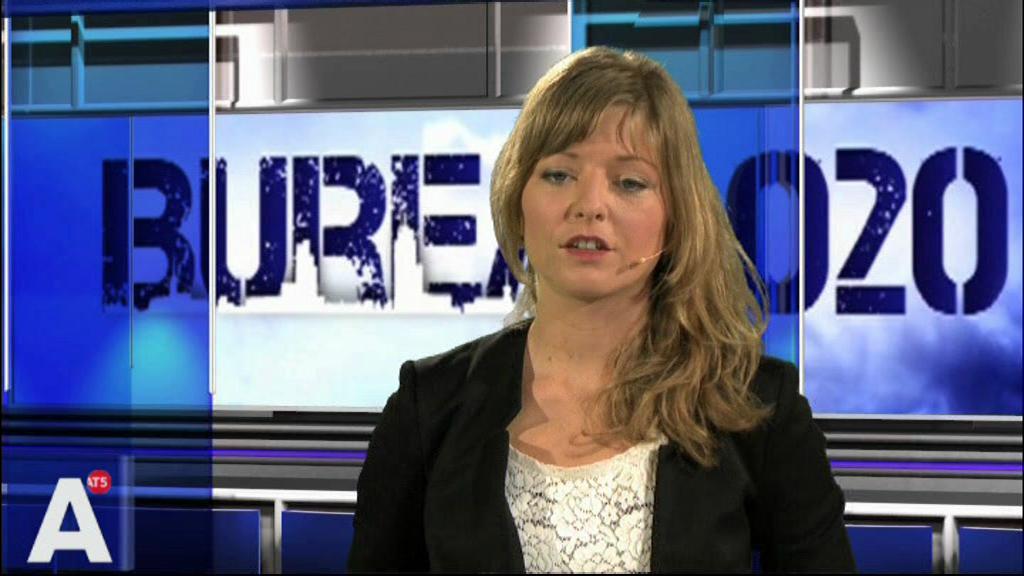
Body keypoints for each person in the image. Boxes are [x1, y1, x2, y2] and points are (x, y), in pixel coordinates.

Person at [348, 46, 855, 573]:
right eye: (558, 175)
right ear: (517, 199)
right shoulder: (428, 409)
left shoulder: (757, 408)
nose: (589, 205)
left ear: (676, 216)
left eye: (629, 182)